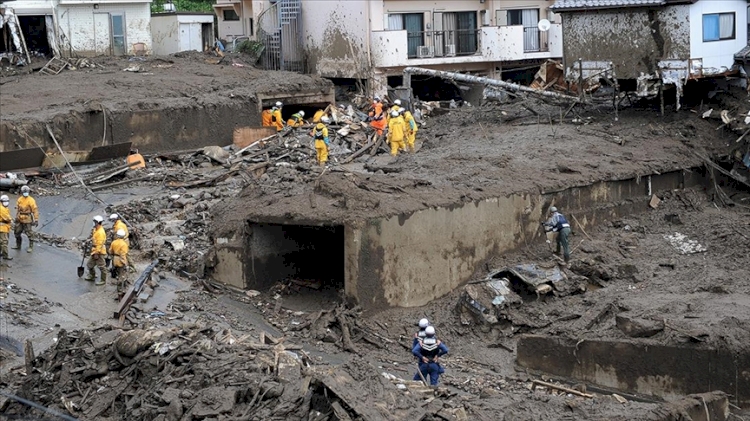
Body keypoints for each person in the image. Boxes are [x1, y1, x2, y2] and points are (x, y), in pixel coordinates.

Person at [13, 185, 39, 253]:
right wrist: (16, 217)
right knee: (17, 232)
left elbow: (35, 210)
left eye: (26, 192)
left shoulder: (31, 200)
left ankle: (30, 246)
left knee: (29, 233)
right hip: (20, 218)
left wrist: (36, 220)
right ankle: (18, 245)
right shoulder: (20, 199)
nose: (25, 193)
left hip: (27, 218)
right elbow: (18, 209)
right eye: (24, 192)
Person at [85, 215, 108, 285]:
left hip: (99, 252)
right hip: (94, 251)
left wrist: (96, 253)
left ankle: (103, 280)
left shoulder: (100, 232)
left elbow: (99, 244)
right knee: (89, 265)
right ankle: (92, 275)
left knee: (102, 266)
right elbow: (94, 238)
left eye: (94, 221)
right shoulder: (96, 229)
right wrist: (89, 240)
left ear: (97, 222)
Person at [108, 229, 129, 294]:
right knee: (122, 275)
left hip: (115, 259)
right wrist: (125, 263)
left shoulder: (114, 242)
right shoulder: (124, 244)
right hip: (120, 260)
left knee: (117, 273)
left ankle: (119, 286)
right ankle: (120, 290)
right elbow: (123, 255)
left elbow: (110, 251)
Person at [0, 195, 12, 262]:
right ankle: (5, 255)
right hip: (2, 227)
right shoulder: (2, 208)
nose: (6, 202)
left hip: (4, 227)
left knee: (1, 241)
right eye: (4, 201)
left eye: (7, 201)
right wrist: (11, 220)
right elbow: (6, 218)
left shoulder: (5, 208)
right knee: (4, 242)